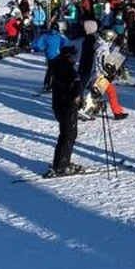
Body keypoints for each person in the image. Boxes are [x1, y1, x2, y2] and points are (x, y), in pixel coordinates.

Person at [44, 45, 85, 177]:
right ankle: (61, 165)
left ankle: (62, 162)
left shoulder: (57, 66)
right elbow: (75, 89)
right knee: (68, 135)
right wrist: (78, 98)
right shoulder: (68, 70)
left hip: (59, 105)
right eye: (73, 56)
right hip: (67, 105)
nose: (75, 59)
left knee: (66, 135)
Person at [32, 22, 68, 93]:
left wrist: (43, 47)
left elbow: (38, 45)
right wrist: (60, 46)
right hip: (57, 55)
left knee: (49, 71)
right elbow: (66, 41)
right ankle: (53, 85)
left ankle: (46, 85)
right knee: (57, 71)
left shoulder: (45, 36)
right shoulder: (59, 36)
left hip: (49, 56)